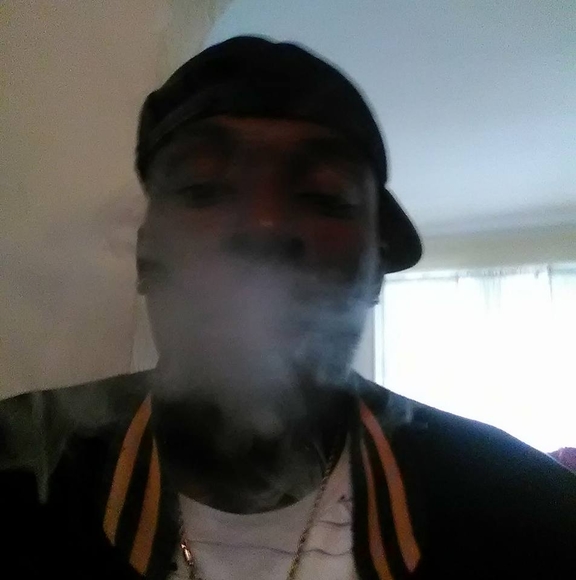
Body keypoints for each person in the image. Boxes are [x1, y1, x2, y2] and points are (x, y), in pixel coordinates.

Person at [1, 36, 575, 580]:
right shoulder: (17, 462)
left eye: (325, 195)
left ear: (375, 266)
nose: (264, 224)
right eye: (202, 187)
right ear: (145, 255)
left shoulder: (526, 512)